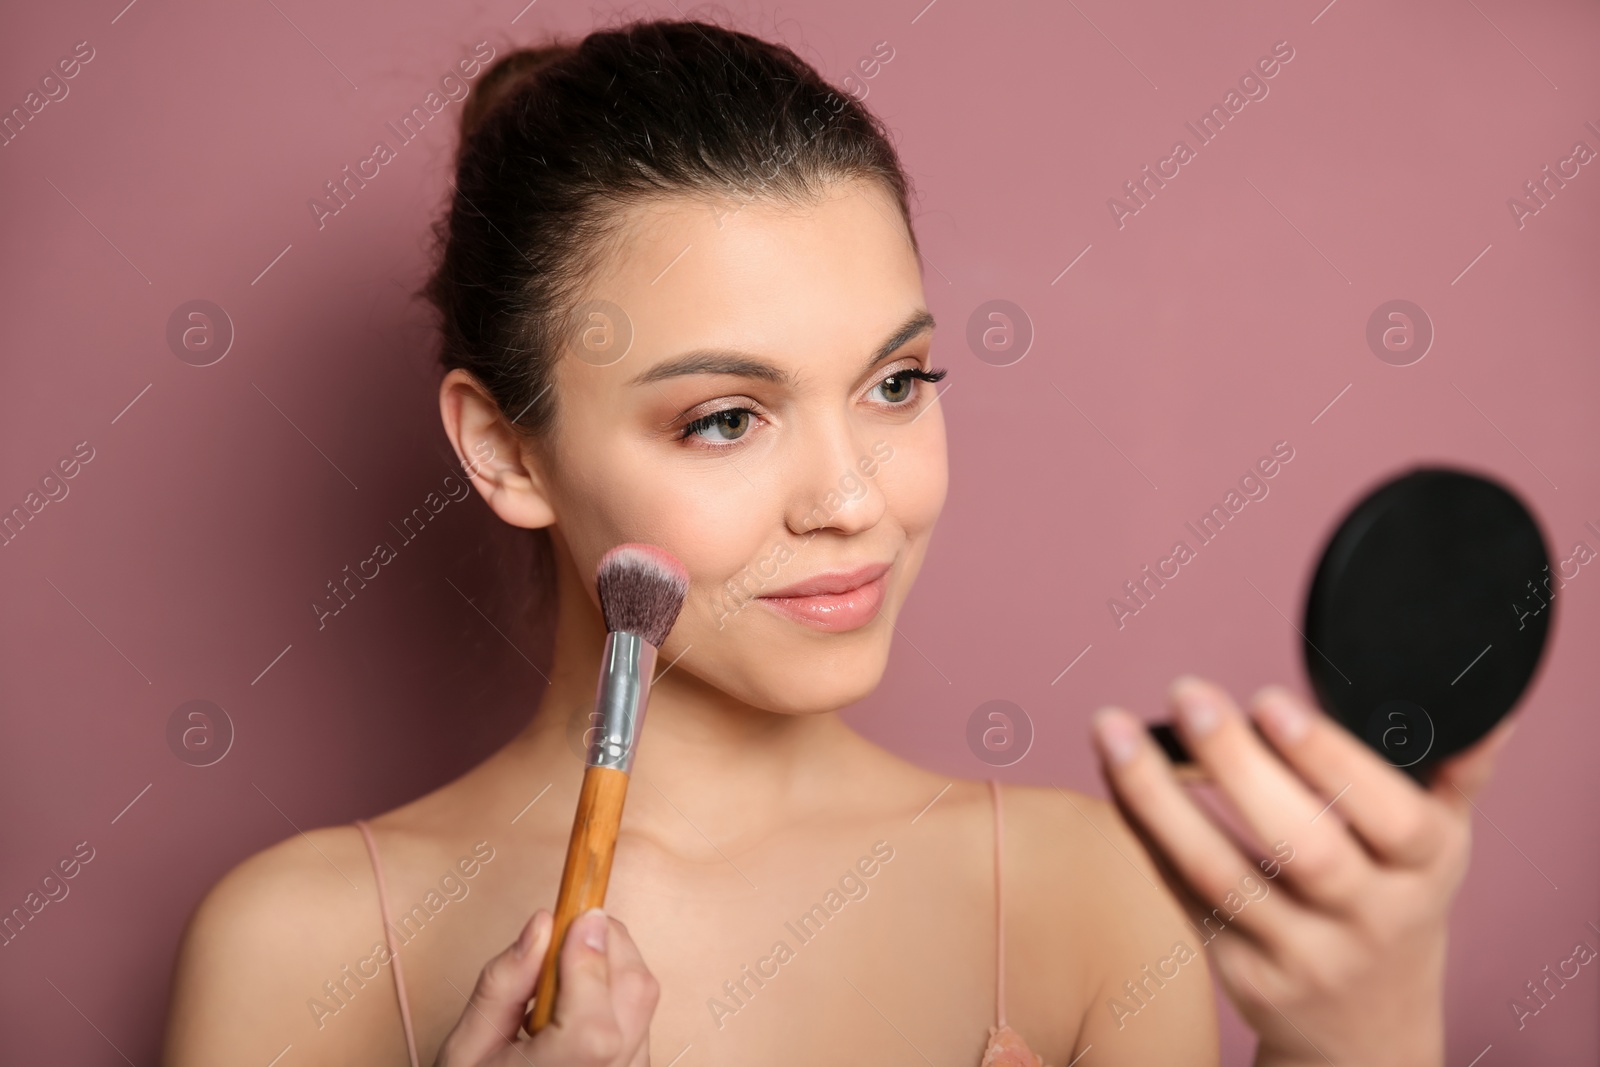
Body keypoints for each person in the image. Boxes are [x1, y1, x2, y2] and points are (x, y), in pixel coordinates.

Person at [160, 18, 1514, 1067]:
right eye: (729, 417)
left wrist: (1363, 1038)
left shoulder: (1081, 898)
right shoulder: (305, 950)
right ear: (506, 449)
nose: (853, 497)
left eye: (895, 386)